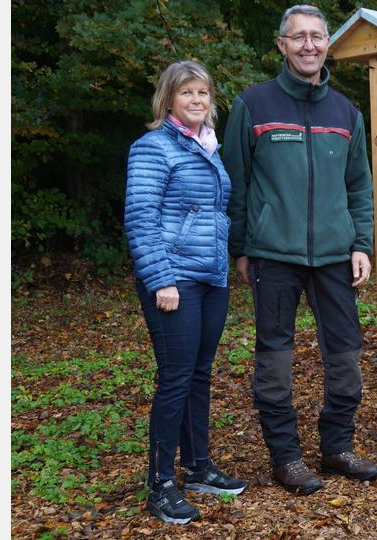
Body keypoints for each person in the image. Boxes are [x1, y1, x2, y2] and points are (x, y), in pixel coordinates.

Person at [223, 4, 377, 496]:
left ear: (326, 43)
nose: (308, 45)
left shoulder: (346, 112)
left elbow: (359, 187)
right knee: (274, 359)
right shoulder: (253, 105)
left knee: (347, 355)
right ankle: (285, 457)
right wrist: (242, 249)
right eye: (299, 37)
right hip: (274, 253)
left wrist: (361, 243)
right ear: (282, 45)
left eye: (316, 36)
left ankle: (336, 445)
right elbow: (237, 184)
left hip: (335, 255)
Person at [125, 60, 248, 525]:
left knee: (200, 374)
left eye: (203, 93)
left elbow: (215, 214)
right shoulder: (153, 147)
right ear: (168, 99)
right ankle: (160, 484)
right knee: (176, 377)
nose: (197, 100)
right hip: (173, 279)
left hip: (210, 277)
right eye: (187, 93)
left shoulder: (208, 147)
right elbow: (141, 218)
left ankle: (198, 467)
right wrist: (161, 280)